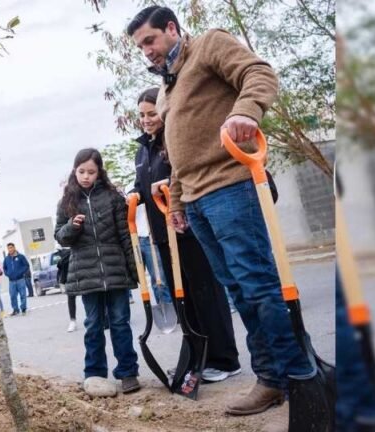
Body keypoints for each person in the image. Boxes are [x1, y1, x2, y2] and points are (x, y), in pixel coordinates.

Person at [128, 6, 316, 415]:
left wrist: (245, 112)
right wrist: (176, 203)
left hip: (231, 187)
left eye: (150, 40)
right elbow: (176, 154)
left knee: (258, 285)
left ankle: (302, 376)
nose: (146, 51)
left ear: (172, 28)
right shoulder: (166, 90)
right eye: (140, 46)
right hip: (195, 201)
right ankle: (272, 378)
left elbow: (259, 73)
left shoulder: (209, 45)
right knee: (239, 291)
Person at [130, 87, 241, 383]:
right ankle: (196, 359)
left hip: (189, 229)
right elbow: (142, 186)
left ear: (164, 112)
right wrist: (132, 193)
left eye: (151, 113)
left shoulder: (175, 139)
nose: (146, 119)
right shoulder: (143, 150)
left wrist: (169, 184)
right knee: (184, 301)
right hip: (163, 236)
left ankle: (225, 359)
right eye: (141, 115)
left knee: (207, 296)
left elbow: (188, 173)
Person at [54, 148, 141, 395]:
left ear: (99, 172)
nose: (86, 176)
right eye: (81, 171)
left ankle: (128, 372)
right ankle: (94, 373)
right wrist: (72, 227)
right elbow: (60, 237)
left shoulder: (113, 197)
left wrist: (134, 269)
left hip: (116, 271)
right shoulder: (67, 201)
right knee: (93, 325)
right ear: (75, 171)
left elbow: (125, 234)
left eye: (91, 172)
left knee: (120, 323)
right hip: (86, 272)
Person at [3, 243, 29, 316]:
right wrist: (8, 274)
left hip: (20, 279)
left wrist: (21, 272)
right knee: (12, 296)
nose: (10, 249)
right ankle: (15, 309)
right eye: (8, 248)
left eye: (11, 247)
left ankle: (23, 309)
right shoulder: (6, 259)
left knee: (23, 295)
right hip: (11, 281)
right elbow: (4, 268)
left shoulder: (21, 257)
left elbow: (26, 265)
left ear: (14, 247)